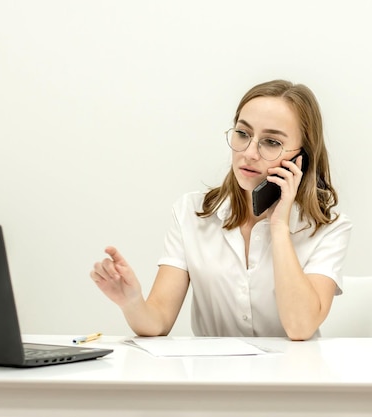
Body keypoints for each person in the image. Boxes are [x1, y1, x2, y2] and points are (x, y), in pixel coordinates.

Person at [90, 79, 352, 340]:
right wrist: (132, 302)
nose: (249, 153)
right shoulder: (191, 212)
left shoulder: (329, 229)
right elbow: (158, 321)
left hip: (292, 377)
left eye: (271, 142)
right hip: (211, 377)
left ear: (301, 158)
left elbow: (300, 327)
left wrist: (280, 227)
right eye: (243, 133)